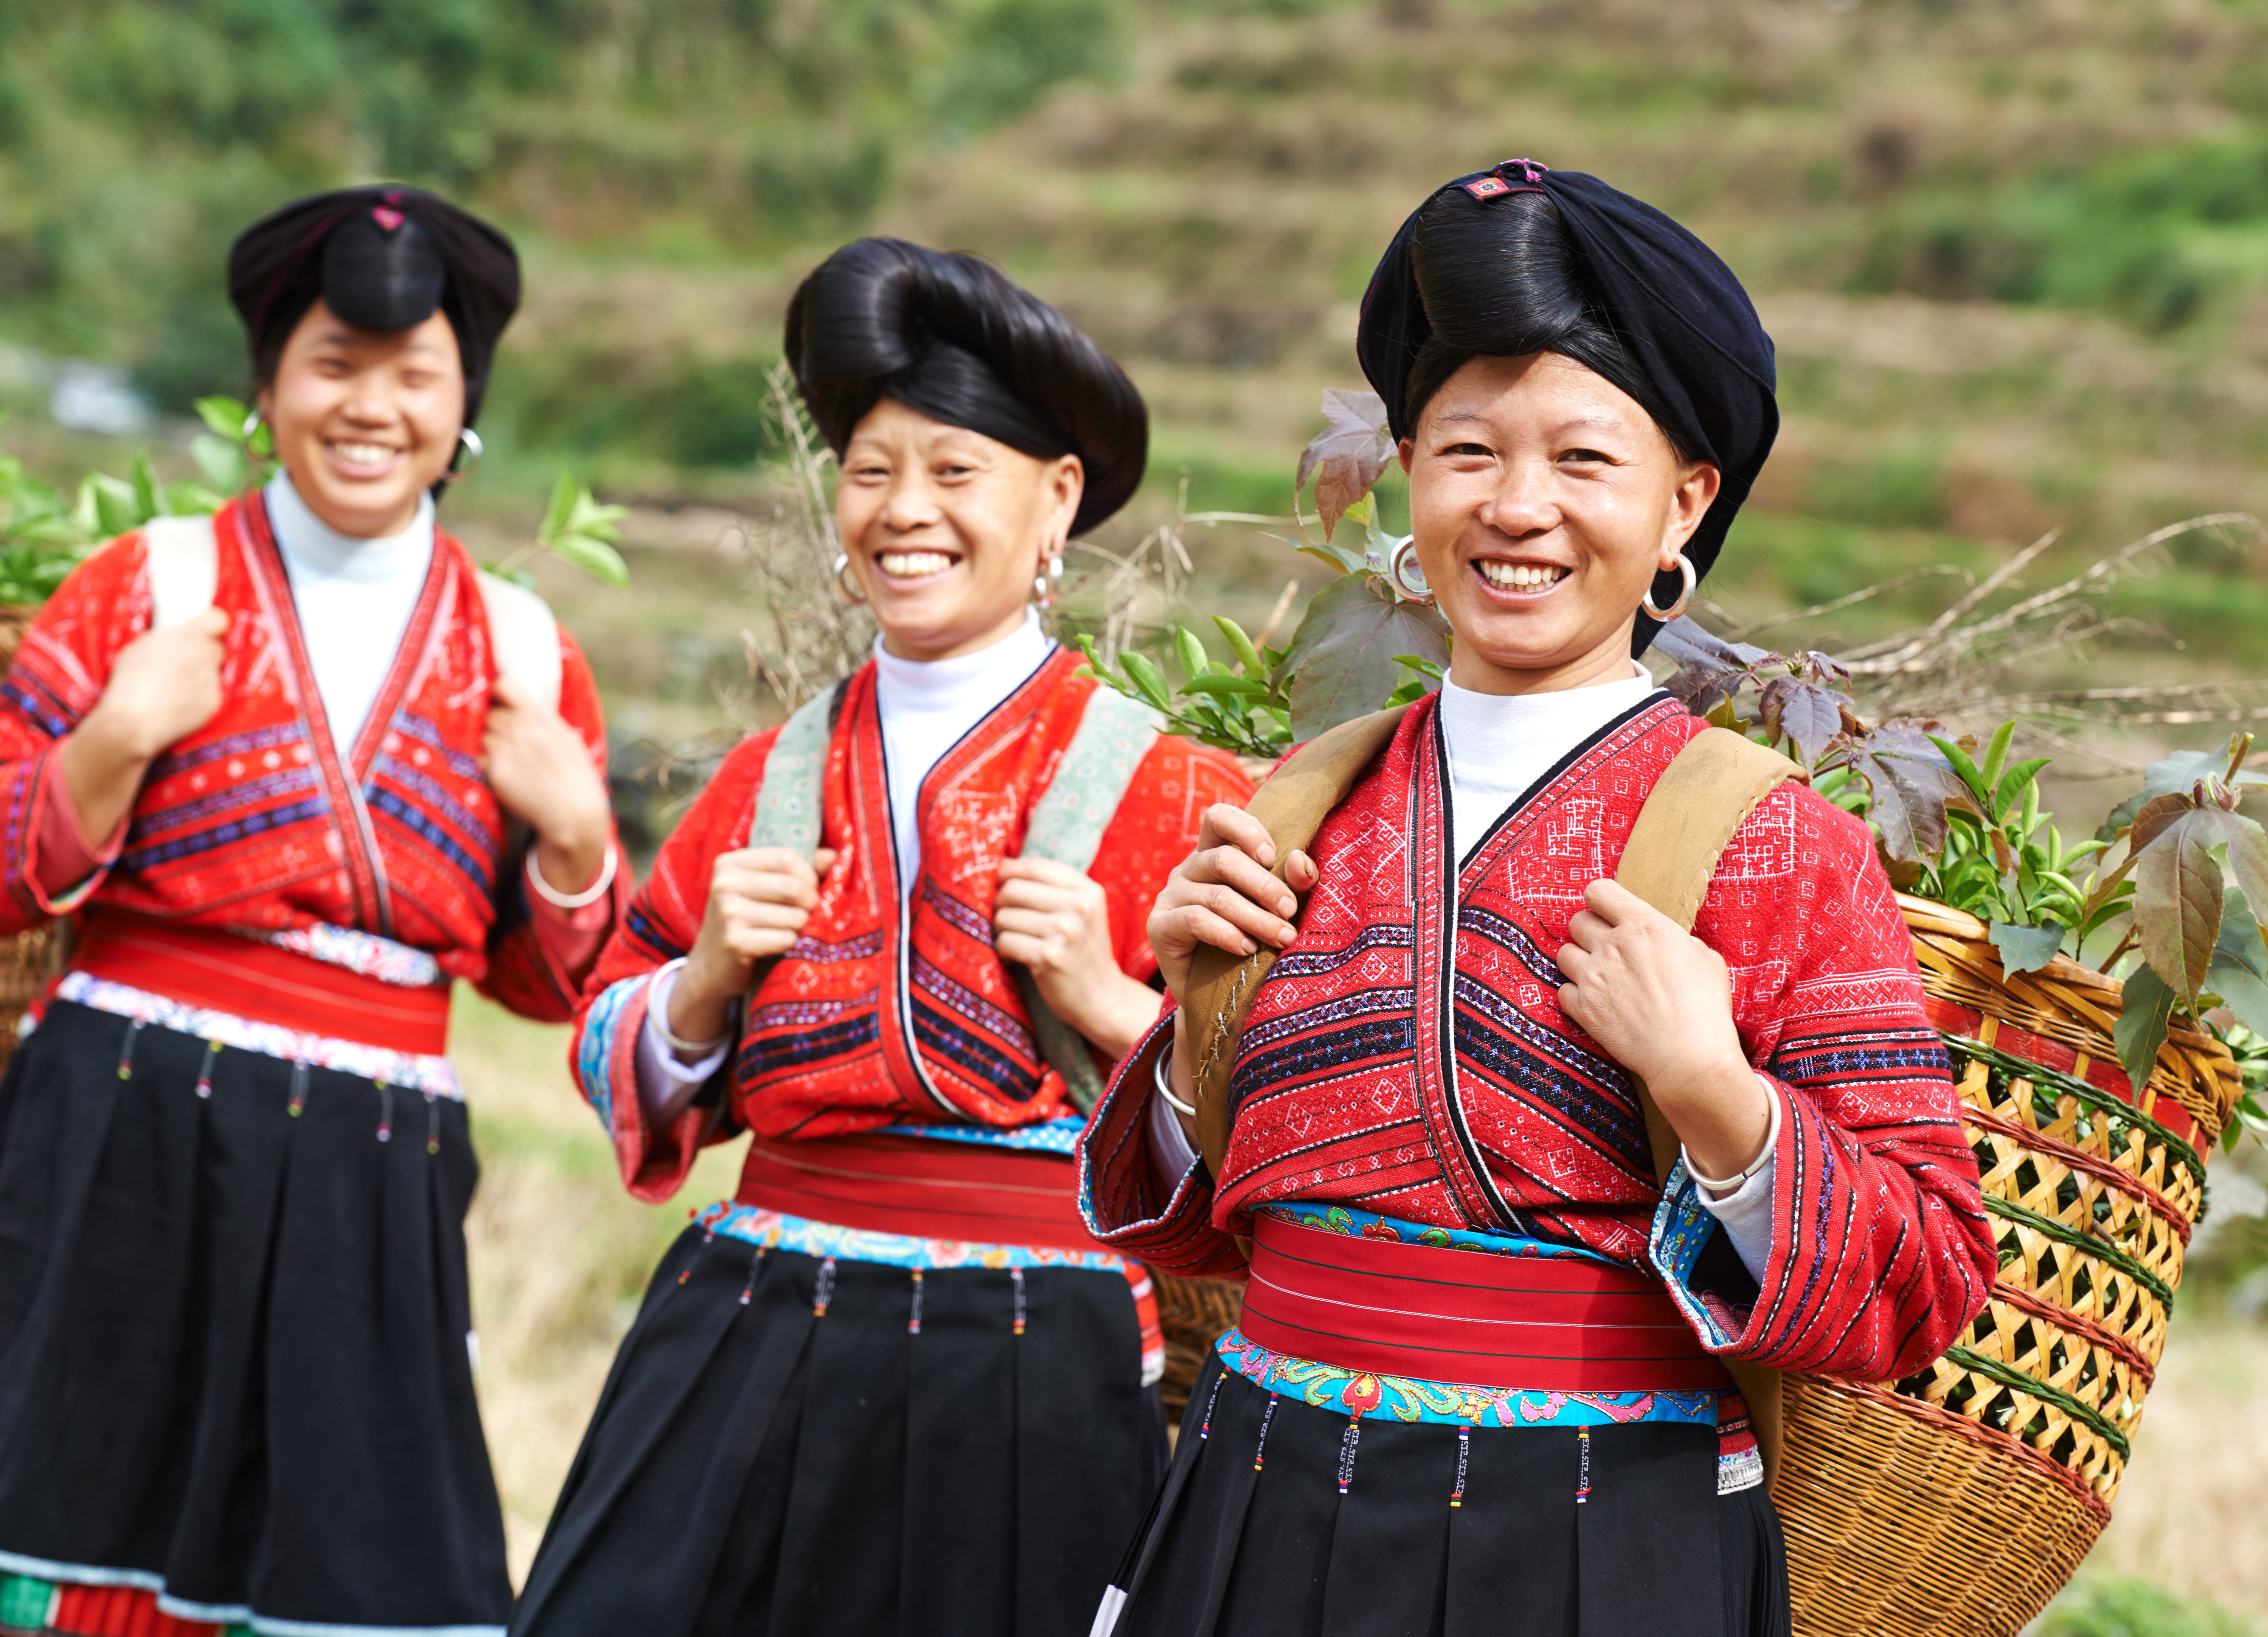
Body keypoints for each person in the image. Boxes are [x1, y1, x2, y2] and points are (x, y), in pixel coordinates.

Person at [1078, 160, 1998, 1637]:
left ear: (1683, 502)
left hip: (1594, 1544)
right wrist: (1194, 1027)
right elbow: (1185, 1233)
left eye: (1583, 460)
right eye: (1466, 452)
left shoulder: (1771, 844)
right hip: (1260, 1502)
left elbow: (1928, 1284)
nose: (1517, 509)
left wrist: (1717, 1098)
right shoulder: (1303, 804)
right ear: (1406, 474)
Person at [0, 186, 625, 1637]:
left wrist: (582, 844)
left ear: (463, 403)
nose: (372, 407)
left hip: (369, 1163)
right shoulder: (144, 589)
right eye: (334, 362)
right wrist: (108, 741)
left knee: (334, 1585)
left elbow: (550, 988)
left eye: (415, 374)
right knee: (76, 1570)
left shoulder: (525, 650)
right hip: (124, 1136)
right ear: (267, 385)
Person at [511, 239, 1252, 1637]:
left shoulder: (1180, 794)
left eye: (954, 470)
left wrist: (1110, 1002)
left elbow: (1278, 1119)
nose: (903, 510)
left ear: (1056, 502)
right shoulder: (757, 784)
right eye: (870, 469)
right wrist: (703, 984)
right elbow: (612, 1035)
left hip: (1033, 1362)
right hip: (749, 1327)